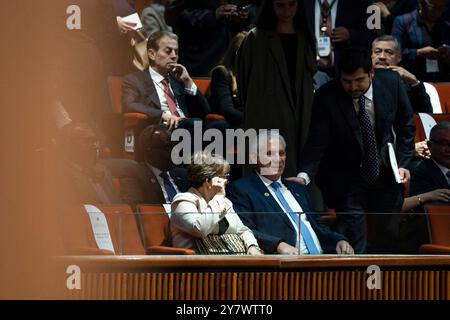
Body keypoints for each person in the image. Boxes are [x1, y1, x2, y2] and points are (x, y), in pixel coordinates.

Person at [293, 47, 415, 254]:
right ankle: (356, 282)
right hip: (346, 175)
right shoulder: (326, 95)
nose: (352, 86)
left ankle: (384, 282)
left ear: (371, 73)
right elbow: (317, 141)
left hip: (385, 170)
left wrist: (403, 165)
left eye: (359, 80)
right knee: (353, 237)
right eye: (347, 81)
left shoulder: (392, 83)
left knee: (387, 237)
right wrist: (304, 175)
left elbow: (406, 127)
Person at [227, 131, 354, 255]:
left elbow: (319, 226)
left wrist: (338, 240)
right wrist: (278, 245)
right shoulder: (242, 189)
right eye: (270, 153)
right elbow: (244, 229)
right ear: (255, 157)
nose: (278, 159)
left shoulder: (298, 189)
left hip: (321, 261)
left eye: (281, 153)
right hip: (285, 266)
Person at [237, 0, 316, 177]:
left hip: (301, 114)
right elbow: (244, 86)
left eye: (291, 4)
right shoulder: (255, 38)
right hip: (266, 115)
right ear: (271, 6)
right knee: (267, 168)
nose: (287, 10)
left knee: (297, 166)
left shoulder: (306, 37)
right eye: (280, 5)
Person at [122, 31, 228, 133]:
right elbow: (129, 104)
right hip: (161, 128)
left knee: (222, 126)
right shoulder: (134, 80)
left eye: (176, 52)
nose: (174, 56)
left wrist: (188, 82)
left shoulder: (179, 81)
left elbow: (205, 111)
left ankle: (198, 150)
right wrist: (162, 115)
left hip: (188, 127)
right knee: (194, 124)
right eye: (168, 51)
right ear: (152, 54)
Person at [170, 152, 263, 255]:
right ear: (207, 180)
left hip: (228, 260)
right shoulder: (183, 200)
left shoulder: (224, 202)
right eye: (224, 176)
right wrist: (218, 198)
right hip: (197, 265)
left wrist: (252, 246)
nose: (227, 181)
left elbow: (242, 230)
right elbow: (200, 229)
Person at [103, 124, 190, 209]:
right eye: (167, 147)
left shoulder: (183, 174)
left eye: (175, 146)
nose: (174, 152)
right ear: (150, 152)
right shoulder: (134, 174)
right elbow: (135, 209)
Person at [166, 0, 259, 77]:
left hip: (237, 62)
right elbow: (172, 15)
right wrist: (212, 16)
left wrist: (248, 15)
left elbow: (259, 7)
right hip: (200, 61)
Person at [304, 0, 376, 78]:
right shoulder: (301, 3)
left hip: (346, 73)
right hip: (310, 70)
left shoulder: (363, 3)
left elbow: (373, 38)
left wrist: (350, 35)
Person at [371, 35, 433, 113]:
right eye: (377, 52)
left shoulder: (408, 83)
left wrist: (414, 82)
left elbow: (427, 114)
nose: (382, 57)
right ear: (371, 55)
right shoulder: (361, 79)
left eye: (389, 52)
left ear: (399, 57)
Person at [392, 0, 450, 82]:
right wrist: (418, 53)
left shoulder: (445, 26)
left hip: (439, 80)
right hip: (412, 80)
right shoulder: (403, 22)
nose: (437, 12)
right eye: (434, 7)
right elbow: (394, 53)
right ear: (422, 4)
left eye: (441, 8)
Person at [209, 32, 247, 127]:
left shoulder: (253, 74)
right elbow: (227, 110)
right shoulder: (221, 73)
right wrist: (253, 119)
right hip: (231, 122)